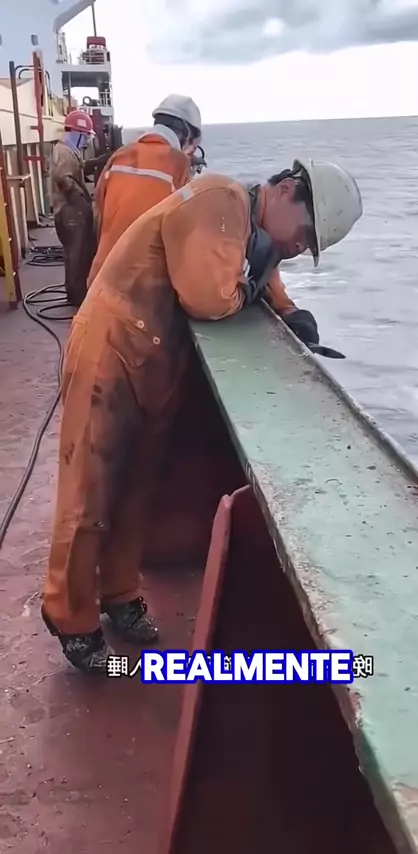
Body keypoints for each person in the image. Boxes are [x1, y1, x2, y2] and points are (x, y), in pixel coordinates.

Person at [41, 156, 362, 673]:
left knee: (136, 489)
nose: (300, 248)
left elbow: (255, 272)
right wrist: (252, 287)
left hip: (154, 361)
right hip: (110, 352)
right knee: (89, 493)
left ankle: (119, 593)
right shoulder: (220, 198)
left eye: (309, 247)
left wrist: (289, 312)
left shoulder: (248, 229)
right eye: (305, 234)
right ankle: (70, 619)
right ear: (284, 190)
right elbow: (211, 298)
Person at [87, 94, 204, 287]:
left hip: (101, 276)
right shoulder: (179, 164)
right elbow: (183, 231)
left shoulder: (120, 155)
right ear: (185, 133)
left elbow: (98, 213)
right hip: (141, 286)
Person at [49, 110, 106, 307]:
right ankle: (77, 297)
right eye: (86, 136)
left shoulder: (67, 150)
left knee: (76, 253)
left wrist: (98, 161)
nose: (87, 141)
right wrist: (83, 203)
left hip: (69, 212)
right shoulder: (65, 152)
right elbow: (64, 180)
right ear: (77, 132)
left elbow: (78, 167)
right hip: (70, 213)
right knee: (77, 254)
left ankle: (74, 292)